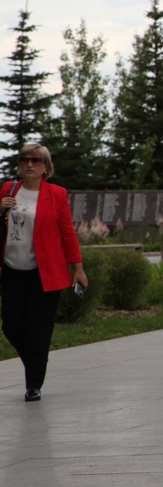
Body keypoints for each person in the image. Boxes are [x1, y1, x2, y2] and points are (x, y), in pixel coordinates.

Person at [1, 144, 89, 402]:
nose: (30, 164)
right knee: (12, 326)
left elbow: (67, 232)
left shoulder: (57, 194)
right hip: (11, 269)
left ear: (45, 167)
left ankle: (33, 384)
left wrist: (78, 268)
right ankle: (35, 363)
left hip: (44, 271)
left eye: (36, 160)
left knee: (39, 330)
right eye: (25, 159)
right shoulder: (8, 189)